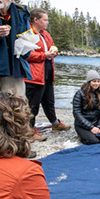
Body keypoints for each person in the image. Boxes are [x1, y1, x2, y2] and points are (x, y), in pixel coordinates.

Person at [24, 8, 70, 140]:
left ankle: (55, 124)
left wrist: (53, 51)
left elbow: (52, 46)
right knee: (33, 104)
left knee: (49, 100)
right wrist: (44, 55)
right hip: (34, 74)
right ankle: (29, 130)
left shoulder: (45, 34)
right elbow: (25, 54)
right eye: (45, 20)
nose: (47, 22)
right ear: (35, 20)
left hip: (48, 71)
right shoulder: (28, 34)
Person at [73, 70, 100, 145]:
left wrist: (99, 126)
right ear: (89, 82)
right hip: (82, 124)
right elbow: (77, 113)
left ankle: (92, 133)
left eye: (98, 81)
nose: (96, 84)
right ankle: (82, 135)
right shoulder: (79, 94)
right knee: (93, 141)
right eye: (94, 81)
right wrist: (91, 127)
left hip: (97, 122)